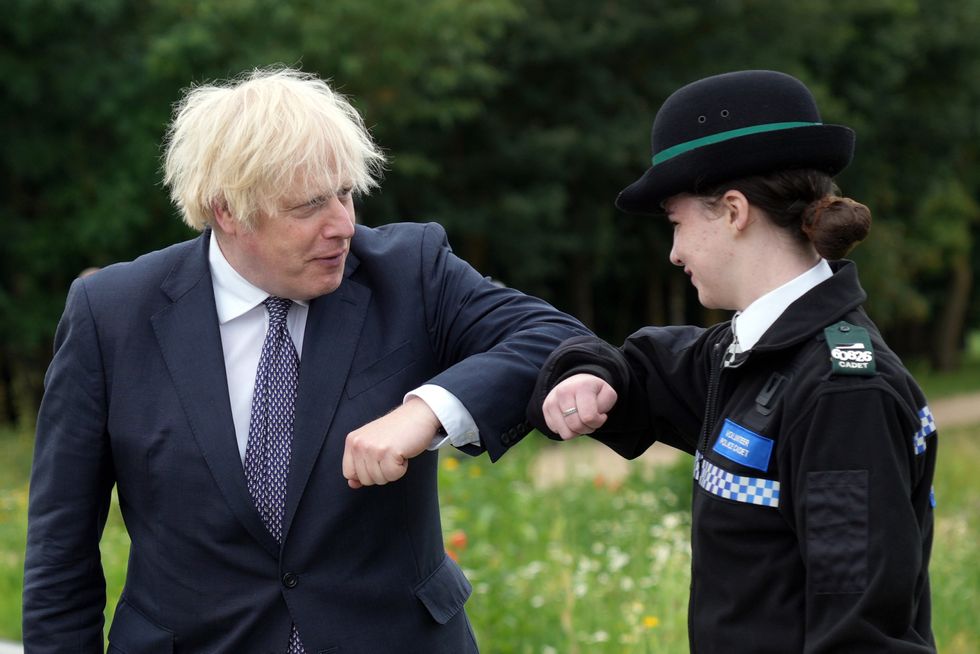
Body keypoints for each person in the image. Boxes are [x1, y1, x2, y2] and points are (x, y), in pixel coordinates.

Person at [23, 67, 588, 653]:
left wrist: (426, 411)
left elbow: (552, 338)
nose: (343, 225)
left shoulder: (410, 272)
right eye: (310, 205)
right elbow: (60, 549)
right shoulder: (111, 313)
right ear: (228, 211)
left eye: (345, 192)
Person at [528, 70, 937, 652]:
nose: (673, 253)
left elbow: (861, 633)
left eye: (677, 224)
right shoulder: (749, 353)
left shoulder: (842, 394)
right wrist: (590, 374)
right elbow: (642, 368)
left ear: (735, 211)